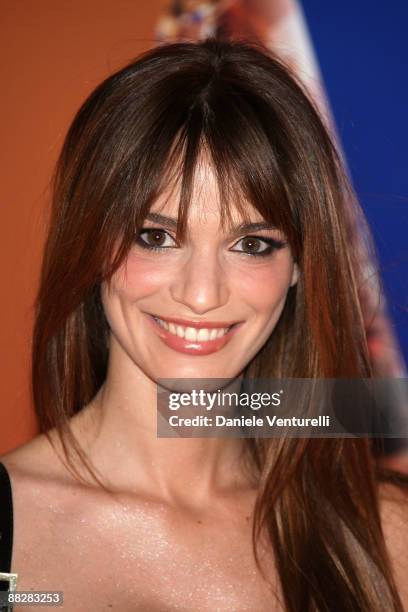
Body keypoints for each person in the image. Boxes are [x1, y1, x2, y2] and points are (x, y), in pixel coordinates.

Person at [1, 37, 408, 611]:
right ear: (91, 243)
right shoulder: (15, 536)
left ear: (298, 265)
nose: (200, 295)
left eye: (252, 244)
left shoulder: (387, 537)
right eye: (156, 237)